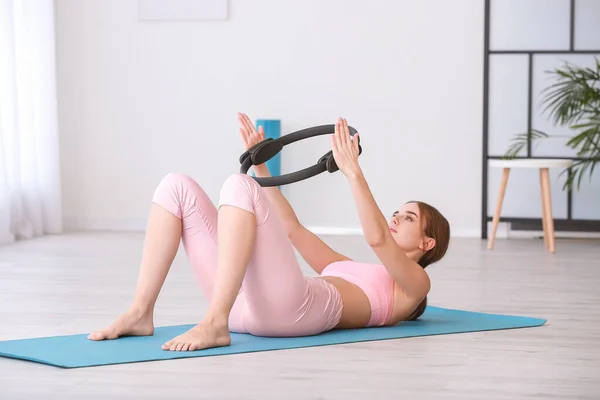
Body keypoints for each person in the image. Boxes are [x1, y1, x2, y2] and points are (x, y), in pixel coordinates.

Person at [88, 113, 450, 352]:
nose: (396, 218)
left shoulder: (414, 286)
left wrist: (353, 172)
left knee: (237, 185)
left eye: (408, 217)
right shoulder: (348, 268)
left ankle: (214, 322)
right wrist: (261, 165)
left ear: (426, 242)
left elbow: (377, 240)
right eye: (396, 212)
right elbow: (291, 228)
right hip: (247, 309)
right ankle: (140, 312)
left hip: (294, 312)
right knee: (175, 186)